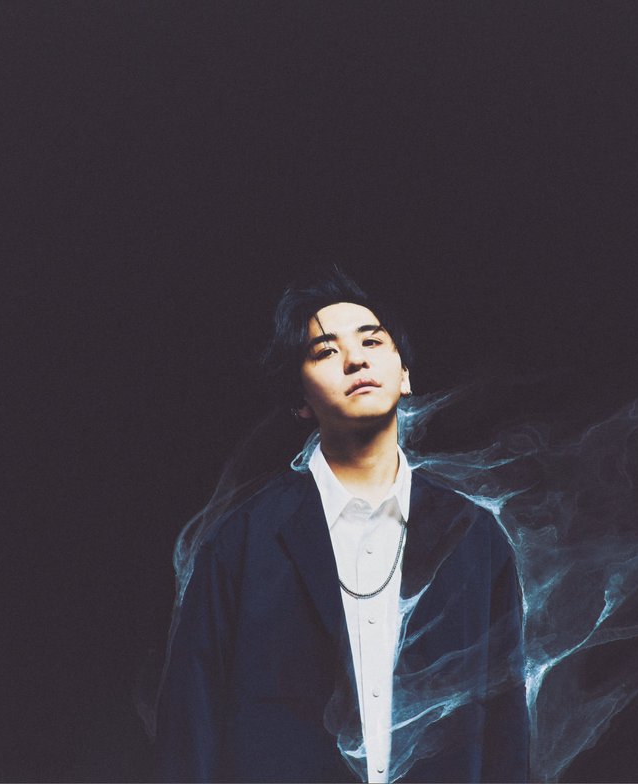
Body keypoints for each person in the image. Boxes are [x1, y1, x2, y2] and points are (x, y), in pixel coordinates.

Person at [150, 269, 529, 782]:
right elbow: (190, 727)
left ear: (405, 375)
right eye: (326, 351)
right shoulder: (242, 542)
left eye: (372, 341)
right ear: (301, 401)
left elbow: (505, 729)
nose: (356, 359)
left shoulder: (474, 538)